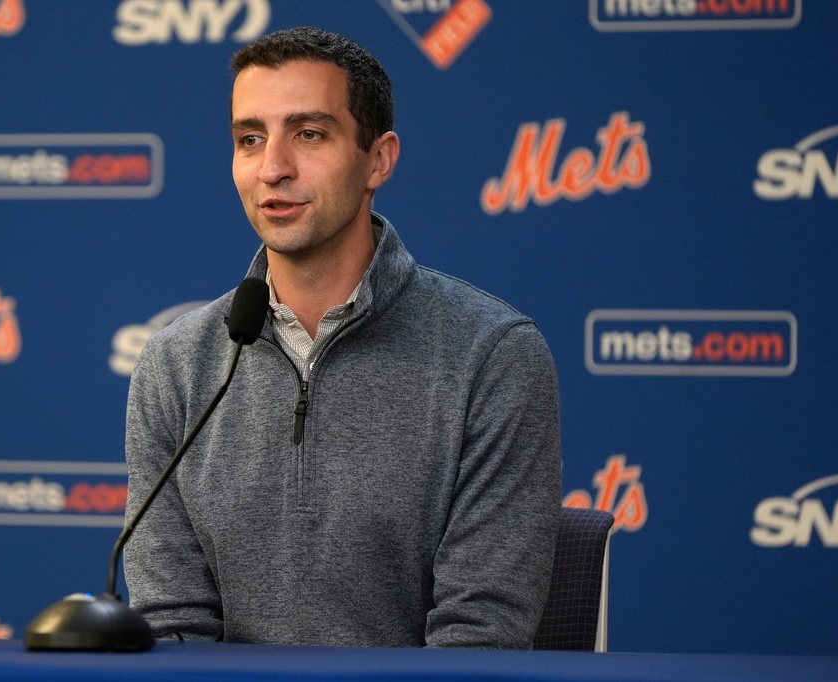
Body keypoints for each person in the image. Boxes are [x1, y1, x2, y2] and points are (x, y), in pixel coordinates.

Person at [123, 26, 561, 649]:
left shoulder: (492, 355)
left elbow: (478, 639)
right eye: (250, 139)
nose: (273, 168)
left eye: (309, 134)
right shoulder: (175, 364)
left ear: (377, 159)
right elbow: (173, 630)